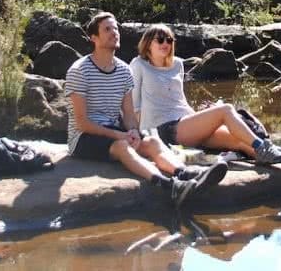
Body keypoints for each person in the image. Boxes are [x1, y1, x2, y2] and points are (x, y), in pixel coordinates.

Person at [65, 12, 226, 209]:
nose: (114, 32)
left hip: (114, 130)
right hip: (83, 137)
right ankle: (169, 186)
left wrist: (132, 130)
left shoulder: (124, 70)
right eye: (107, 29)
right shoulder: (79, 70)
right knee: (122, 147)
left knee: (151, 140)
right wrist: (120, 135)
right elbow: (82, 123)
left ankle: (185, 174)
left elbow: (130, 114)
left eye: (115, 28)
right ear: (94, 38)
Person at [129, 23, 281, 170]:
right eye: (159, 40)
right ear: (147, 44)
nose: (165, 43)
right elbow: (134, 106)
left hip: (185, 123)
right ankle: (264, 147)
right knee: (225, 110)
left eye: (168, 39)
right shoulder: (138, 65)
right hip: (164, 129)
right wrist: (140, 136)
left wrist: (199, 116)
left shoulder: (177, 64)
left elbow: (179, 100)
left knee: (239, 142)